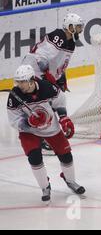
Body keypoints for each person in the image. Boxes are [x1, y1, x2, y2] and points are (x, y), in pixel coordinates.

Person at [7, 65, 84, 203]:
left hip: (51, 127)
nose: (19, 85)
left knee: (66, 155)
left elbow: (60, 102)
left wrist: (63, 118)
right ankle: (45, 186)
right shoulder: (15, 95)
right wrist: (27, 123)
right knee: (34, 157)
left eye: (22, 81)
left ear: (31, 80)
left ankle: (70, 180)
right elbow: (14, 119)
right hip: (29, 131)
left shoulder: (47, 87)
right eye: (17, 82)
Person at [22, 13, 83, 154]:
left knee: (55, 99)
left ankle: (43, 132)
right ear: (69, 27)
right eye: (77, 27)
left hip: (43, 73)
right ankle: (42, 138)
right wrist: (46, 73)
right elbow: (41, 56)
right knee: (45, 102)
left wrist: (60, 77)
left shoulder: (71, 43)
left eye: (81, 27)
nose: (80, 30)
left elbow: (60, 62)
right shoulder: (59, 36)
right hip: (34, 70)